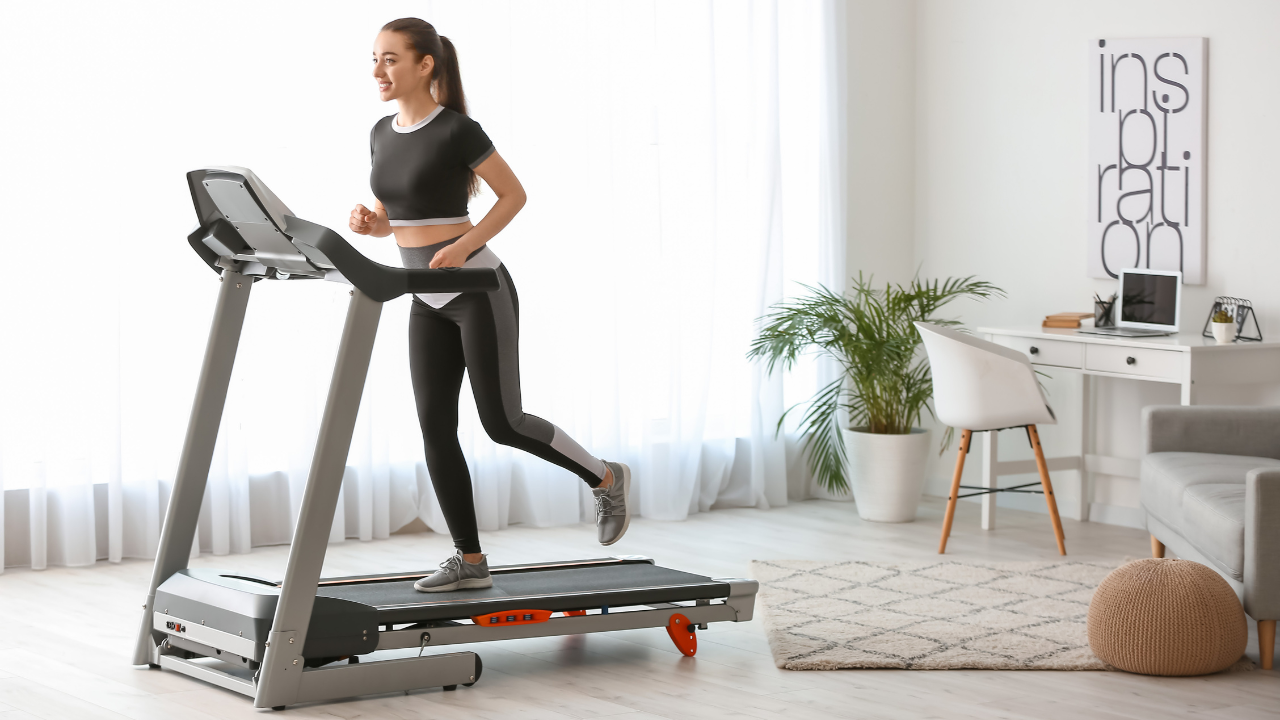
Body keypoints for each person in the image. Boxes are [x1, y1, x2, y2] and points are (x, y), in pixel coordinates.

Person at [349, 18, 631, 593]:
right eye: (374, 59)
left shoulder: (458, 130)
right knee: (435, 428)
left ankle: (605, 477)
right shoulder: (380, 132)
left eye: (390, 59)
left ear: (425, 64)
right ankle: (470, 560)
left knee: (503, 422)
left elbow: (514, 194)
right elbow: (396, 219)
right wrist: (370, 223)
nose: (378, 70)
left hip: (478, 289)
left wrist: (463, 243)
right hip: (422, 296)